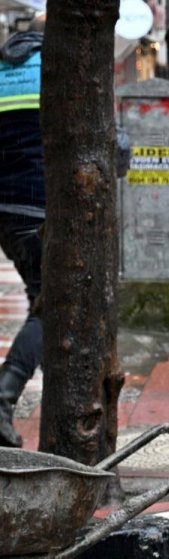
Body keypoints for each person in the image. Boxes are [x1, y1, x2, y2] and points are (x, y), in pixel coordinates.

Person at [0, 19, 45, 448]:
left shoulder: (2, 68)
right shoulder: (58, 65)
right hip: (40, 205)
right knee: (53, 305)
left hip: (5, 210)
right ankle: (3, 398)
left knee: (41, 299)